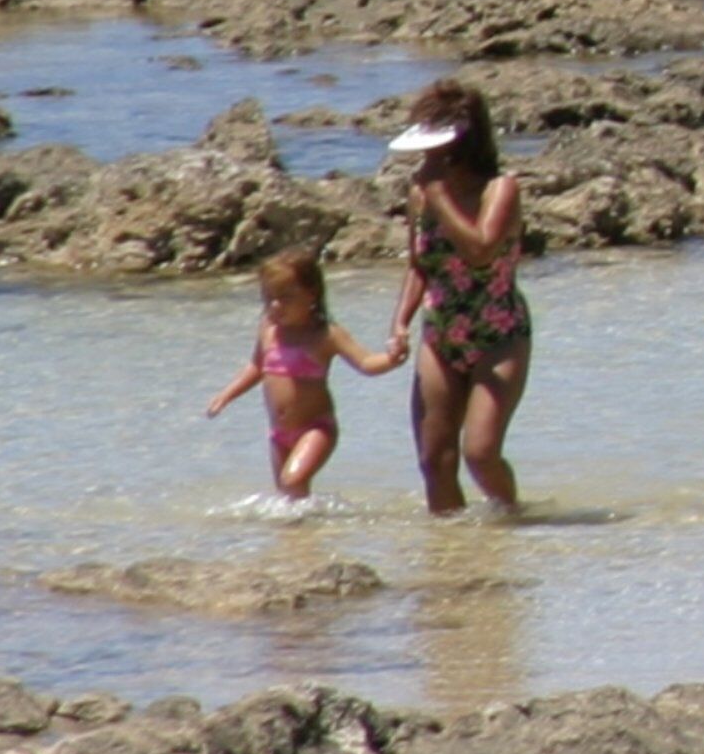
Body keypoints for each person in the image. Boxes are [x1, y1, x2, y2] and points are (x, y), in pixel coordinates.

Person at [389, 81, 530, 515]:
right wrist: (400, 323)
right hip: (441, 333)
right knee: (435, 459)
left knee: (480, 452)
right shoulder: (419, 195)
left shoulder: (500, 189)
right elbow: (419, 265)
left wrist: (439, 197)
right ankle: (450, 549)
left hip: (499, 333)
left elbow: (481, 250)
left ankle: (512, 522)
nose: (425, 158)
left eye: (435, 148)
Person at [203, 247, 408, 498]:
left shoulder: (325, 335)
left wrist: (391, 359)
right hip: (278, 433)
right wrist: (227, 395)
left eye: (286, 297)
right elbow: (256, 366)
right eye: (268, 298)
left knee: (292, 480)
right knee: (289, 498)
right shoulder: (268, 329)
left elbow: (365, 362)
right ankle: (313, 525)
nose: (275, 305)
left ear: (312, 294)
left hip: (316, 429)